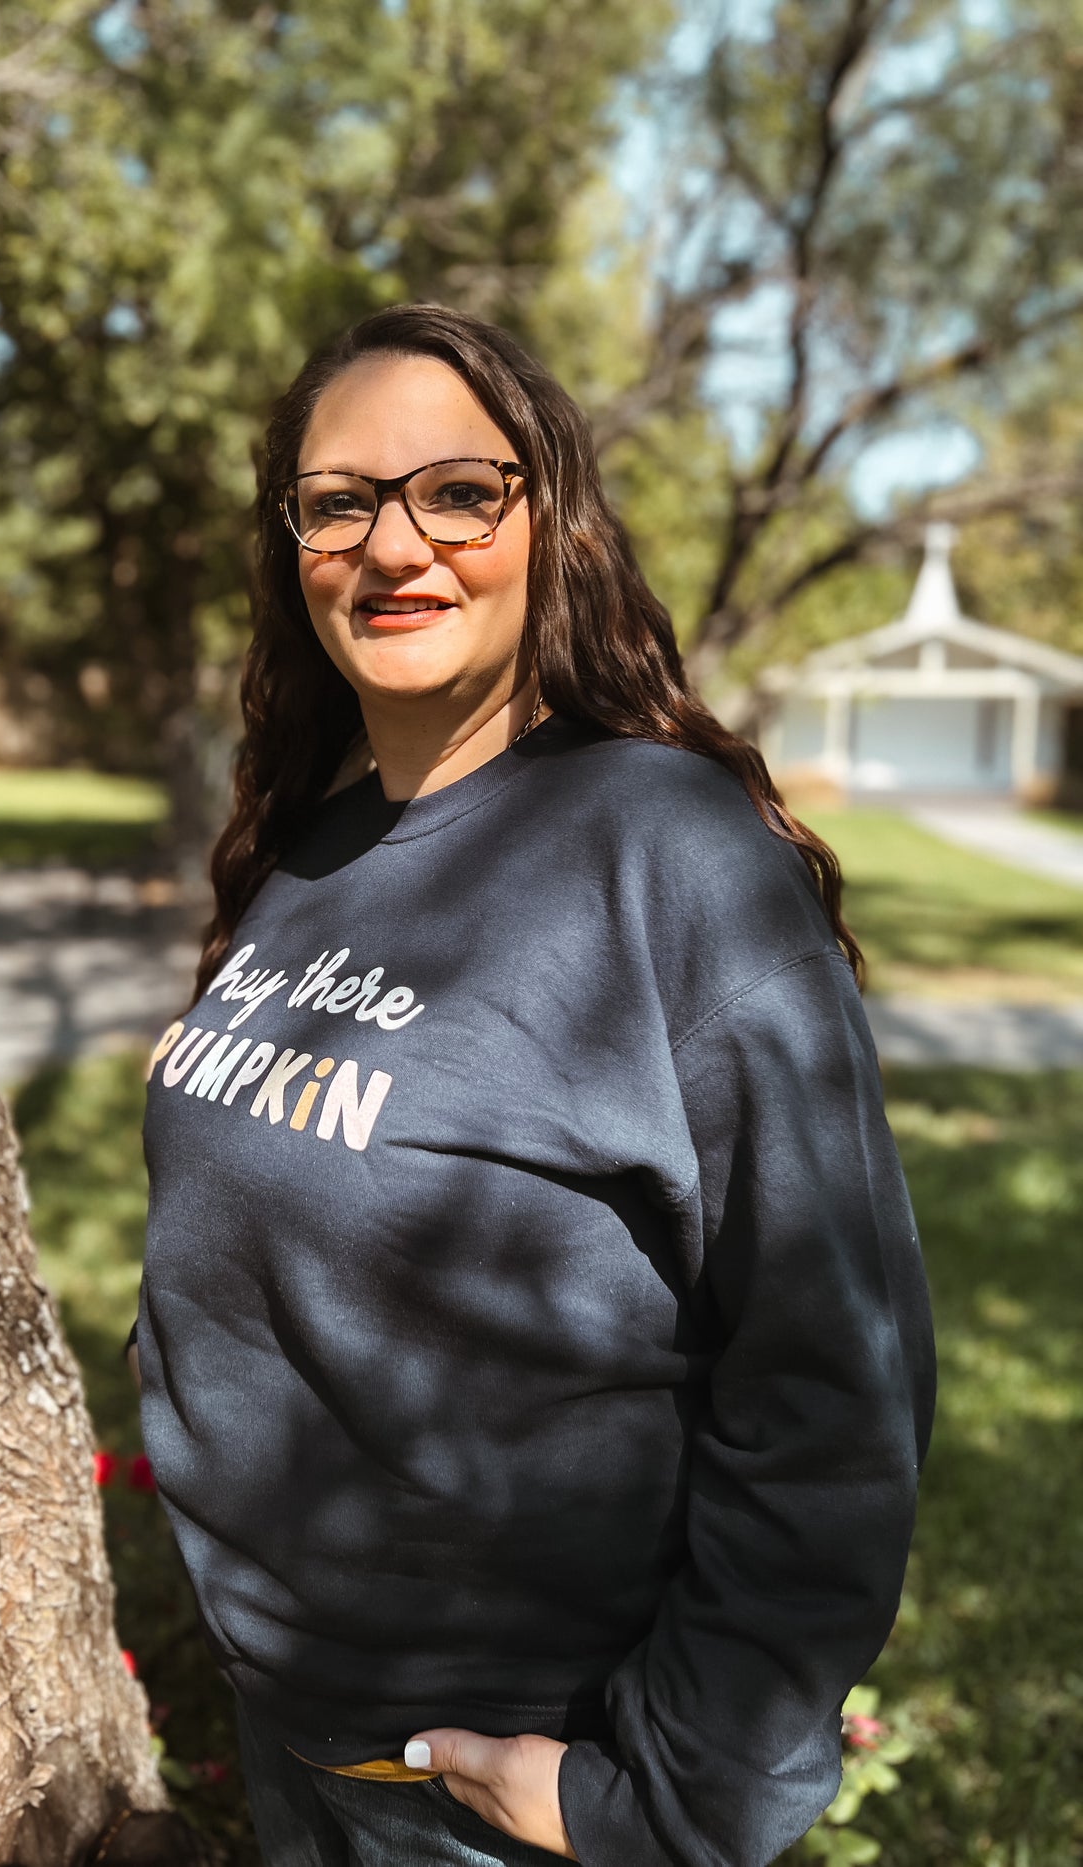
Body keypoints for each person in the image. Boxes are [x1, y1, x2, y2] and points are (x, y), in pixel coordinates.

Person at [126, 303, 935, 1867]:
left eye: (456, 491)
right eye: (339, 501)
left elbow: (834, 1382)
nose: (393, 543)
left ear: (546, 514)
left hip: (506, 1806)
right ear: (293, 544)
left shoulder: (673, 857)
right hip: (300, 1763)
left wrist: (660, 1807)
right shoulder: (308, 850)